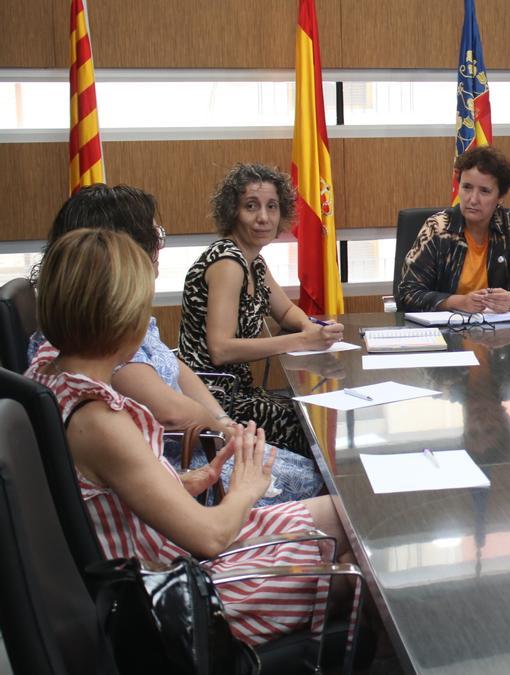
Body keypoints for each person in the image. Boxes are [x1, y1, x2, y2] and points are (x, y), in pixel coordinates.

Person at [26, 228, 354, 647]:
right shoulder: (102, 421)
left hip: (169, 557)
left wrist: (183, 482)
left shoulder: (46, 374)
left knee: (345, 515)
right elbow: (211, 537)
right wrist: (246, 488)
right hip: (181, 598)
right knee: (357, 562)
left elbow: (101, 492)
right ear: (124, 320)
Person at [28, 184, 322, 504]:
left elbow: (175, 366)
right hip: (186, 456)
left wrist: (222, 422)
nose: (159, 246)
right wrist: (224, 430)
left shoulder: (109, 322)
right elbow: (172, 412)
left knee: (310, 457)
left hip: (201, 438)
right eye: (154, 235)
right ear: (118, 249)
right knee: (314, 462)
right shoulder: (101, 341)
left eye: (272, 206)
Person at [178, 164, 344, 456]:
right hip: (214, 399)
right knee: (311, 424)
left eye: (272, 207)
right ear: (233, 212)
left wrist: (310, 327)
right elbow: (220, 350)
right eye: (251, 206)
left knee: (315, 412)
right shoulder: (228, 262)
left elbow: (286, 311)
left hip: (237, 391)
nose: (264, 217)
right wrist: (302, 341)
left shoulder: (253, 261)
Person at [394, 146, 510, 313]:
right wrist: (458, 302)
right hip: (447, 326)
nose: (473, 199)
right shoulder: (438, 228)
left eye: (484, 191)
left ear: (500, 196)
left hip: (501, 327)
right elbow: (408, 294)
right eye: (467, 187)